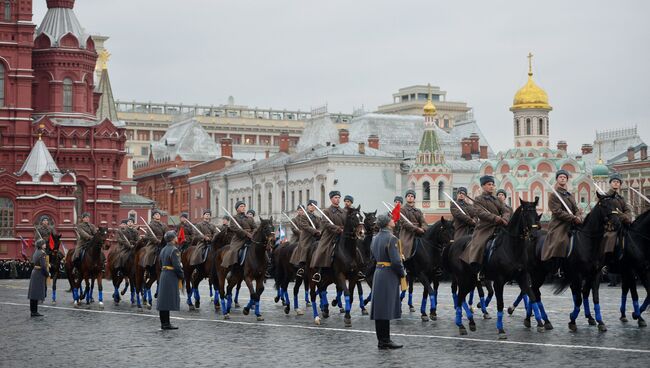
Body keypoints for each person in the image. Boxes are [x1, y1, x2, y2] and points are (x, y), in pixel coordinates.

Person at [460, 175, 508, 281]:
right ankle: (479, 269)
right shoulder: (478, 200)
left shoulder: (497, 199)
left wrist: (504, 218)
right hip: (485, 227)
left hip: (500, 226)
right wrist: (496, 218)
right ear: (483, 186)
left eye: (493, 184)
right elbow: (480, 213)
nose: (492, 187)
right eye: (489, 184)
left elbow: (505, 210)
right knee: (480, 244)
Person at [370, 214, 405, 350]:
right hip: (389, 274)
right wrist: (402, 273)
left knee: (380, 309)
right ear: (387, 223)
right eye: (391, 219)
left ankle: (382, 340)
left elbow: (373, 256)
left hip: (378, 272)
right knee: (385, 309)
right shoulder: (392, 238)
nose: (393, 220)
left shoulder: (374, 238)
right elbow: (396, 261)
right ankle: (385, 340)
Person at [541, 170, 581, 277]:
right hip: (559, 224)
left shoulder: (569, 195)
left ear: (567, 179)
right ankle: (559, 267)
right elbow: (557, 211)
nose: (563, 178)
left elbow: (576, 208)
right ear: (557, 179)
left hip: (573, 222)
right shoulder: (554, 195)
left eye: (564, 177)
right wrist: (573, 218)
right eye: (560, 177)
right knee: (561, 241)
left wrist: (578, 216)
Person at [310, 191, 345, 282]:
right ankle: (319, 271)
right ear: (331, 199)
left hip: (342, 235)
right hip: (330, 235)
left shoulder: (343, 211)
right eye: (335, 197)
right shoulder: (326, 211)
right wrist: (337, 228)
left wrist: (345, 228)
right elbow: (325, 224)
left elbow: (347, 222)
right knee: (323, 249)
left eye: (338, 197)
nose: (337, 199)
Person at [602, 173, 633, 268]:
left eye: (618, 182)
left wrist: (627, 217)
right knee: (610, 238)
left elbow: (627, 209)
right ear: (610, 183)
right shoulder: (606, 196)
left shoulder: (621, 198)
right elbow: (608, 212)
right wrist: (623, 216)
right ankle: (606, 263)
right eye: (614, 181)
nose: (616, 183)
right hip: (610, 225)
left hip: (622, 224)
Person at [157, 231, 184, 330]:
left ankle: (164, 323)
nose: (177, 238)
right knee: (167, 300)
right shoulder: (174, 250)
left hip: (164, 274)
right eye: (176, 237)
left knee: (163, 301)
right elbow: (176, 266)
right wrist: (182, 275)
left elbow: (160, 263)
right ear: (173, 239)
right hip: (171, 276)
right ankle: (166, 324)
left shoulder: (163, 249)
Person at [221, 201, 257, 268]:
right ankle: (233, 267)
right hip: (239, 239)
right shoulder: (234, 218)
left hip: (251, 237)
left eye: (244, 206)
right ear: (237, 209)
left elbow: (255, 227)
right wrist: (246, 233)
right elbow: (234, 228)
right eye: (241, 206)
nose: (243, 208)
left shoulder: (249, 218)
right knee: (234, 251)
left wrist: (252, 234)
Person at [290, 200, 321, 277]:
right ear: (308, 206)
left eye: (314, 206)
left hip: (316, 237)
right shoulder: (304, 216)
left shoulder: (318, 217)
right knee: (305, 247)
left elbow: (320, 226)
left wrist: (320, 231)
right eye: (310, 205)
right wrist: (315, 231)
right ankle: (302, 266)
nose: (312, 207)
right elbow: (305, 226)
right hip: (306, 237)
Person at [399, 189, 427, 259]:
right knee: (406, 245)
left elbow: (423, 222)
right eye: (408, 196)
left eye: (412, 196)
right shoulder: (402, 210)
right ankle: (404, 262)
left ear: (414, 198)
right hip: (407, 233)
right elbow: (404, 223)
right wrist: (417, 229)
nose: (410, 197)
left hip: (420, 232)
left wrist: (423, 228)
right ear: (406, 198)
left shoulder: (418, 211)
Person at [28, 240, 49, 317]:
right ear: (41, 245)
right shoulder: (42, 253)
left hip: (34, 272)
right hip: (39, 274)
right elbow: (43, 266)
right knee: (36, 293)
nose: (45, 245)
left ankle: (33, 311)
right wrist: (47, 274)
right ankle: (35, 312)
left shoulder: (36, 252)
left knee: (33, 293)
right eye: (44, 243)